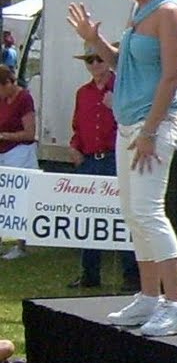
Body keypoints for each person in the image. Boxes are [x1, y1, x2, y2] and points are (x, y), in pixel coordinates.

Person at [66, 0, 177, 337]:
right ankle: (149, 296)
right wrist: (94, 40)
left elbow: (172, 75)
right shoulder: (139, 12)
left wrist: (150, 131)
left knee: (149, 212)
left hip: (151, 126)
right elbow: (125, 64)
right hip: (131, 126)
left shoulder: (169, 11)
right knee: (134, 214)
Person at [68, 41, 138, 289]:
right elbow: (78, 125)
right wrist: (75, 146)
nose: (95, 64)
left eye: (99, 59)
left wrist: (115, 106)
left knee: (123, 217)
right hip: (89, 161)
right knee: (89, 218)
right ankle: (90, 273)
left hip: (115, 159)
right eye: (90, 60)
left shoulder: (124, 87)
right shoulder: (83, 93)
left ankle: (132, 275)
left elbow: (135, 123)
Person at [0, 63, 38, 260]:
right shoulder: (2, 100)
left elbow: (30, 133)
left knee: (19, 199)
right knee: (3, 199)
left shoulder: (24, 99)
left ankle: (20, 244)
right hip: (3, 154)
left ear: (7, 83)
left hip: (20, 153)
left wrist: (4, 136)